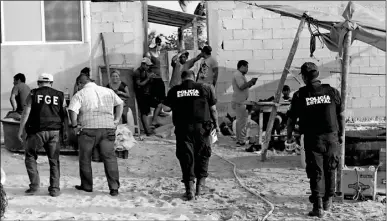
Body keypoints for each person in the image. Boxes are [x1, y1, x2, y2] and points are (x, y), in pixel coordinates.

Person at [286, 62, 344, 218]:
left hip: (313, 139)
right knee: (330, 168)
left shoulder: (300, 95)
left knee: (315, 171)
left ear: (304, 77)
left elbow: (291, 119)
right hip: (332, 137)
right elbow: (340, 115)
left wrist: (289, 135)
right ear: (317, 74)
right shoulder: (332, 92)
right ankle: (328, 203)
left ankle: (318, 207)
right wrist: (341, 135)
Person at [163, 70, 220, 201]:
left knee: (186, 156)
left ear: (182, 79)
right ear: (194, 78)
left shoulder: (175, 90)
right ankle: (200, 187)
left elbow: (166, 109)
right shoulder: (205, 88)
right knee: (203, 154)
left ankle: (189, 190)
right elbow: (213, 109)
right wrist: (217, 126)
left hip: (183, 128)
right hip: (202, 128)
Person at [68, 74, 123, 196]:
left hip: (88, 129)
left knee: (85, 158)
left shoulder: (80, 94)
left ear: (80, 83)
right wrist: (116, 119)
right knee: (110, 158)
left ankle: (87, 186)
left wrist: (74, 125)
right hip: (108, 127)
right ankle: (114, 187)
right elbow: (120, 103)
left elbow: (72, 110)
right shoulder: (108, 91)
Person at [17, 73, 66, 197]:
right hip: (54, 131)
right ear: (51, 83)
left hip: (36, 131)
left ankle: (34, 186)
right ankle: (54, 189)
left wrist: (21, 130)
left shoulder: (33, 93)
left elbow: (26, 112)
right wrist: (65, 131)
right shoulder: (60, 95)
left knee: (30, 156)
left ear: (38, 83)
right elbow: (64, 115)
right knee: (54, 160)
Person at [231, 60, 258, 147]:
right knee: (242, 122)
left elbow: (244, 86)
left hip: (240, 101)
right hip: (240, 101)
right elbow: (242, 86)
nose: (247, 69)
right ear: (242, 66)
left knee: (241, 122)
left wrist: (251, 83)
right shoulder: (238, 74)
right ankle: (241, 140)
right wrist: (251, 81)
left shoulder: (240, 75)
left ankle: (240, 140)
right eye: (246, 67)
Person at [133, 57, 161, 136]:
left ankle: (152, 124)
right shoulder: (137, 72)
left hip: (147, 95)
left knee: (158, 105)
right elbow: (139, 84)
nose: (148, 67)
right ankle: (147, 130)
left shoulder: (145, 71)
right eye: (147, 65)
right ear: (143, 64)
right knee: (144, 112)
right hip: (141, 95)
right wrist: (148, 78)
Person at [147, 36, 169, 119]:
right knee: (154, 97)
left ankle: (160, 111)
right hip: (154, 78)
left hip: (159, 78)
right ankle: (155, 113)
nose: (160, 45)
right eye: (159, 44)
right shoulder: (149, 54)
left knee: (162, 95)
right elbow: (146, 66)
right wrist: (150, 75)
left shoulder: (159, 53)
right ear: (155, 44)